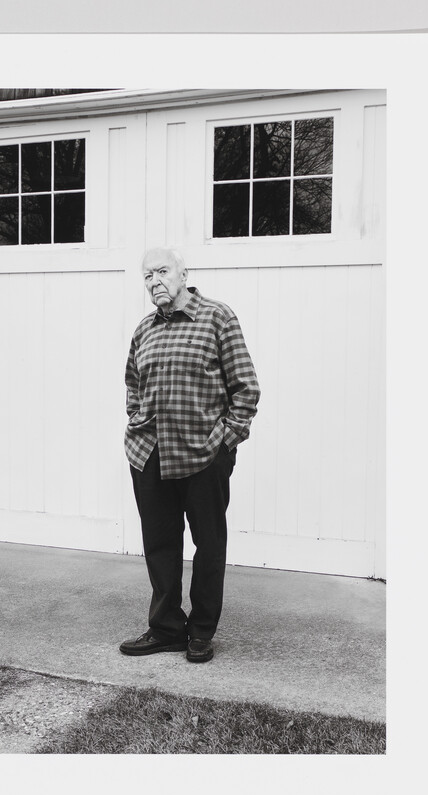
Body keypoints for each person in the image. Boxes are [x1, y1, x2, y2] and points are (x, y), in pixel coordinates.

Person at [119, 247, 260, 663]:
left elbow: (246, 387)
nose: (154, 281)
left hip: (203, 454)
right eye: (147, 276)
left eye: (162, 271)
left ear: (183, 274)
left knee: (209, 545)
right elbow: (132, 384)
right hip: (150, 452)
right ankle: (165, 628)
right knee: (159, 544)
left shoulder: (217, 317)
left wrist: (227, 439)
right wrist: (137, 421)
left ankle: (200, 631)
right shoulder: (144, 330)